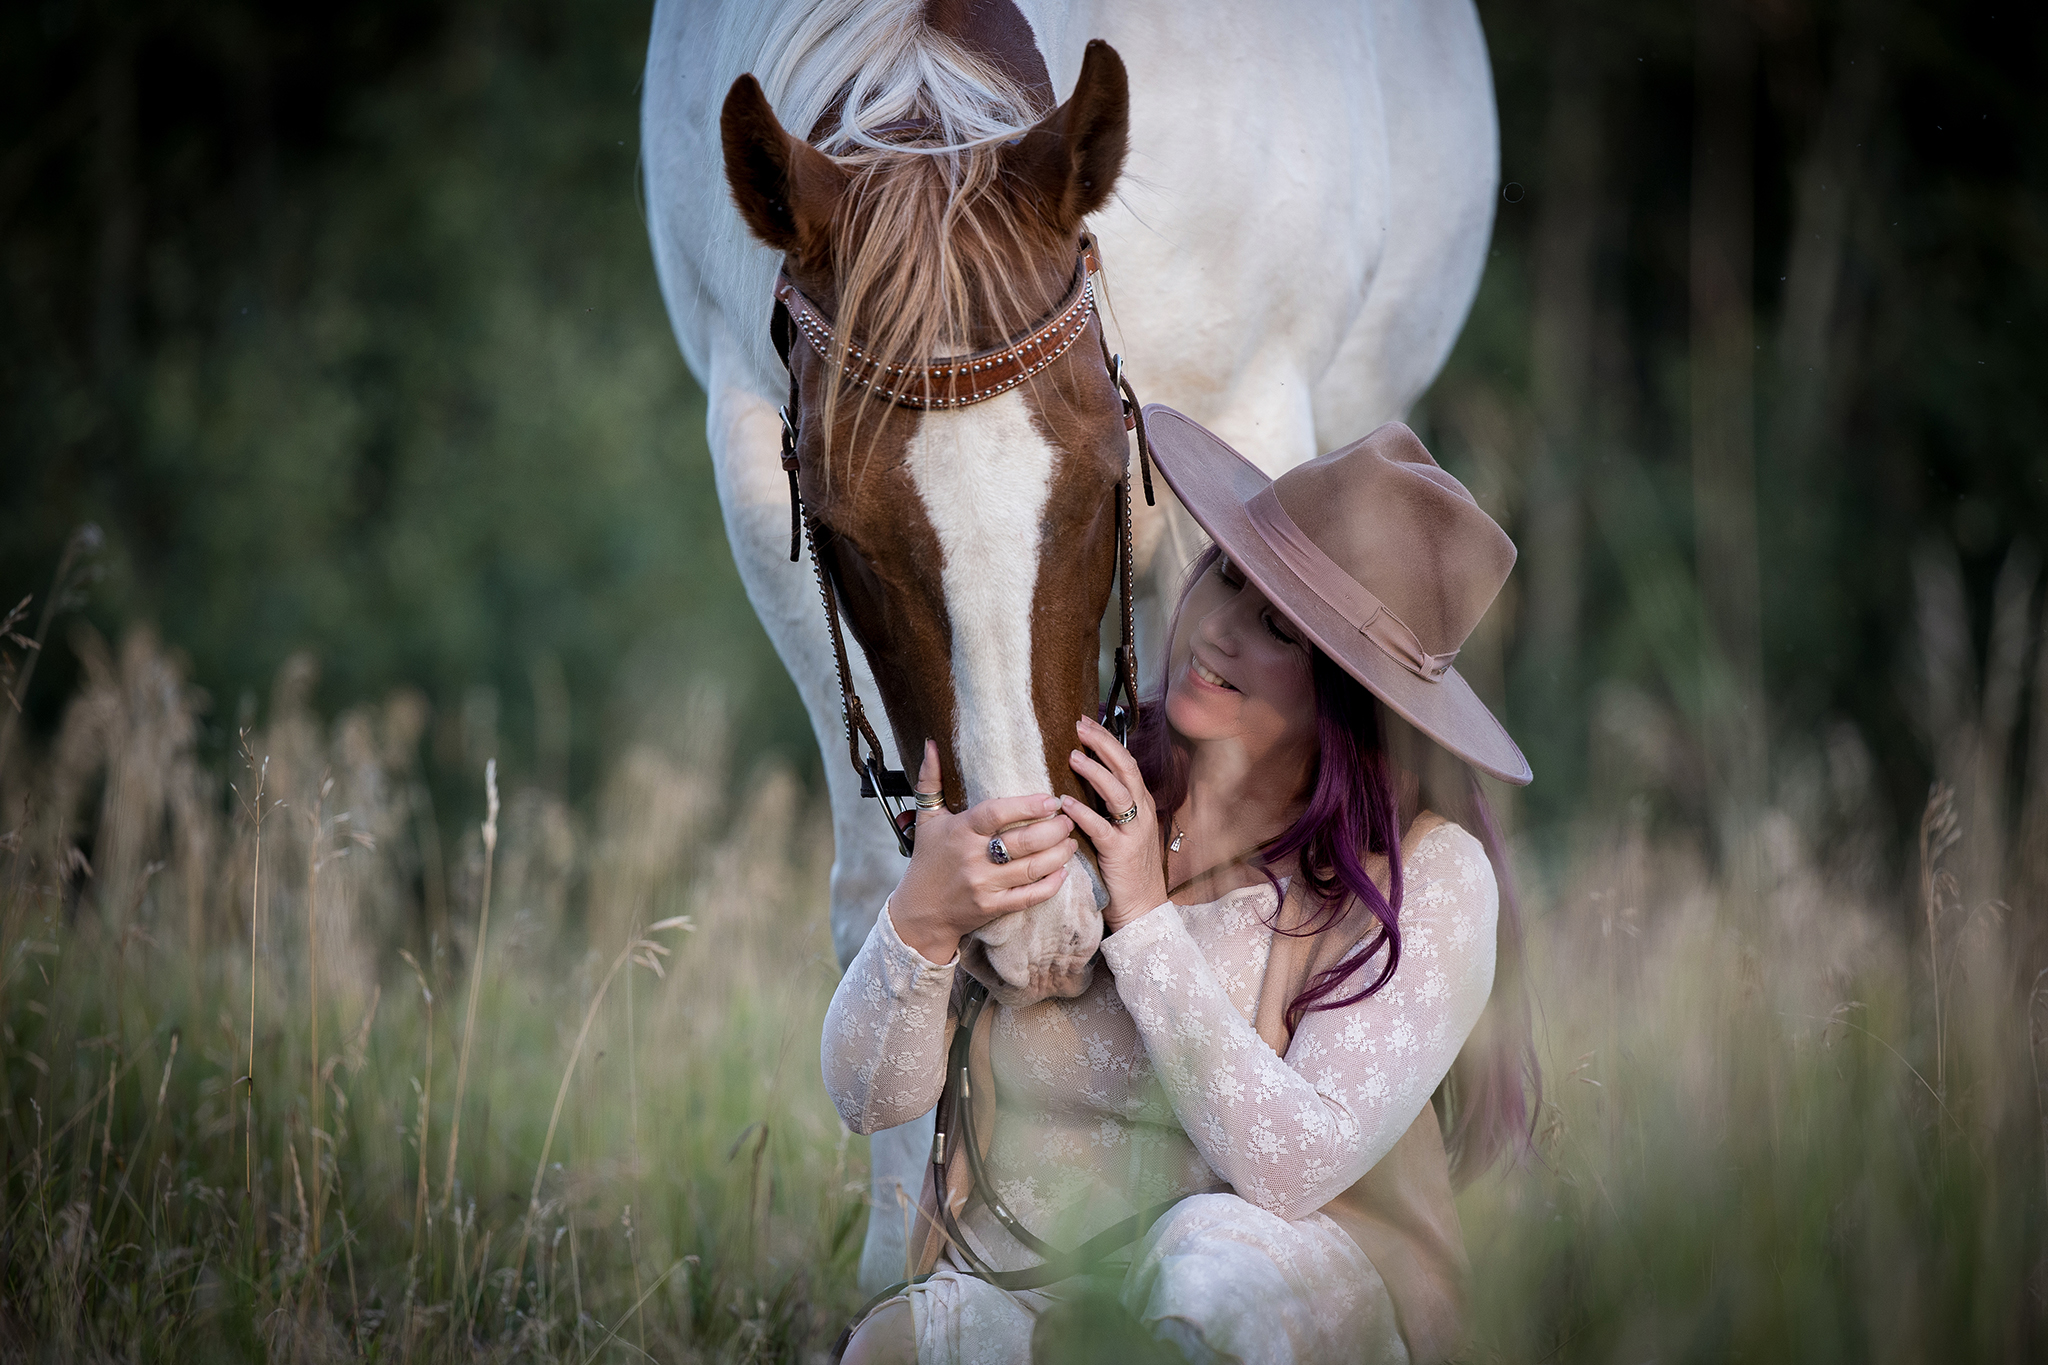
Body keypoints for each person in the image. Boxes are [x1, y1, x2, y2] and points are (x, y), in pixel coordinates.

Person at [826, 405, 1538, 1365]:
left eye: (1280, 629)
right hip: (1039, 1281)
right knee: (895, 1350)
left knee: (1204, 1273)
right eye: (1231, 578)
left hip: (1275, 1285)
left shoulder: (1428, 876)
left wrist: (1145, 919)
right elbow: (869, 1100)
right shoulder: (1089, 772)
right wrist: (921, 919)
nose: (1218, 631)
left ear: (1352, 689)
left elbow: (1291, 1169)